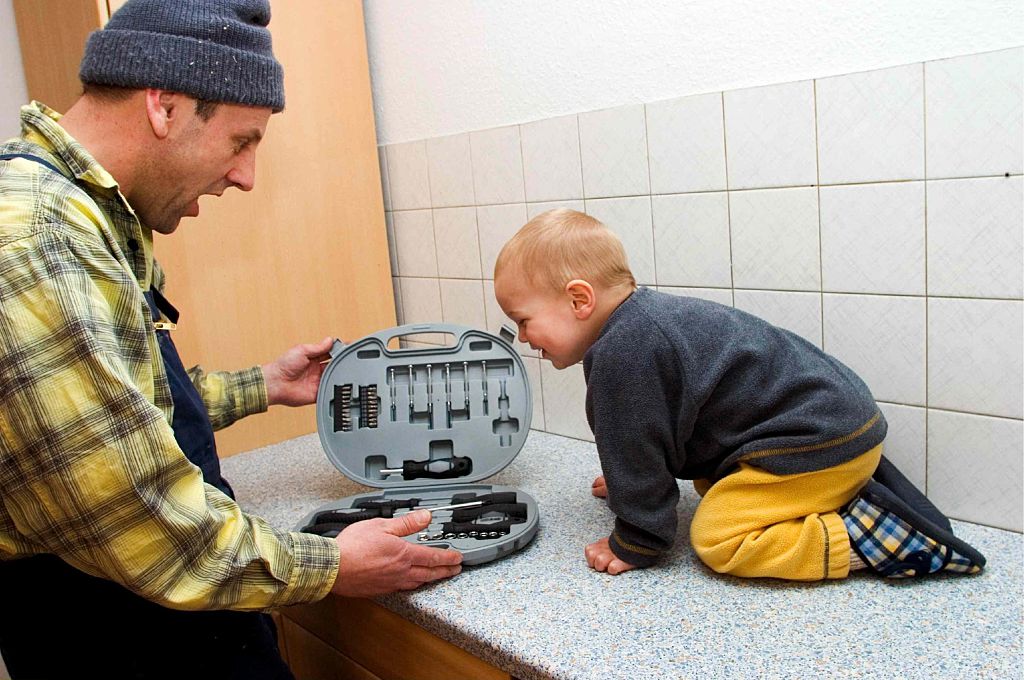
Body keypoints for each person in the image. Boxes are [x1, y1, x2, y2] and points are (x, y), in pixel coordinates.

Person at [0, 1, 461, 677]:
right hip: (116, 630)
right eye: (243, 141)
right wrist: (332, 564)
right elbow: (144, 524)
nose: (246, 176)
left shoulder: (79, 209)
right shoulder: (40, 241)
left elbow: (103, 416)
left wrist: (262, 386)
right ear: (164, 106)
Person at [493, 208, 985, 582]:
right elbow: (651, 437)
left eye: (524, 319)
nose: (524, 337)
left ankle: (871, 537)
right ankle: (840, 496)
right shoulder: (643, 324)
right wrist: (632, 476)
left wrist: (636, 541)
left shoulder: (625, 352)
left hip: (818, 443)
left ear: (580, 300)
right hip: (835, 425)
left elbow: (636, 441)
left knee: (718, 539)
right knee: (716, 487)